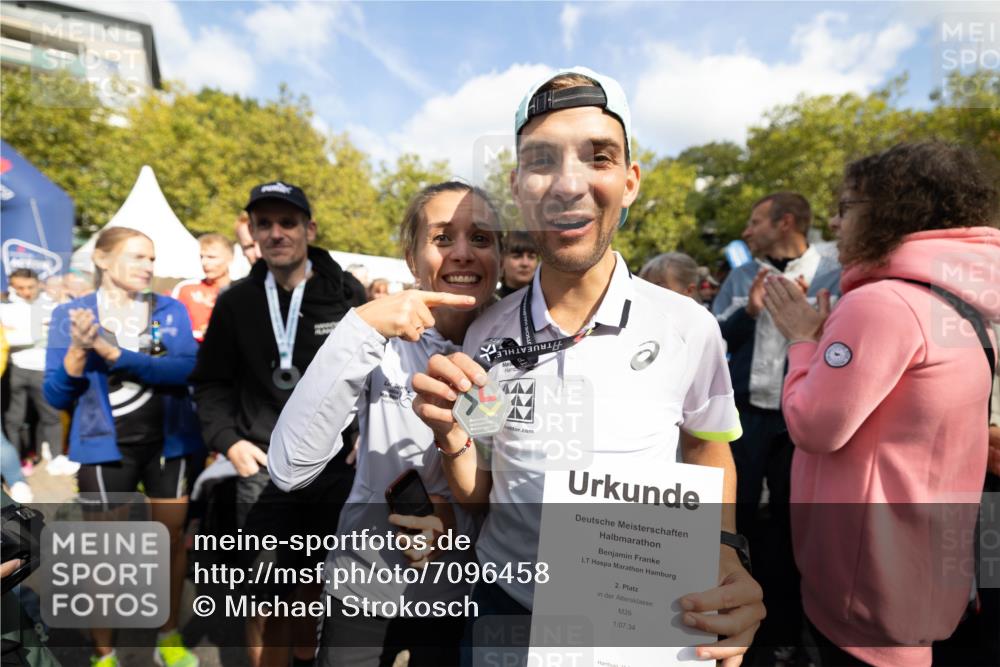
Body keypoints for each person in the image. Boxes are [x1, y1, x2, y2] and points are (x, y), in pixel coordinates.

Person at [411, 67, 764, 666]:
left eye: (597, 157)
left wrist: (726, 546)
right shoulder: (486, 334)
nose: (568, 185)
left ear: (629, 182)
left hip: (638, 617)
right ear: (519, 185)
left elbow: (708, 448)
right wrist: (452, 440)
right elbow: (483, 492)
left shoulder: (689, 328)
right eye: (543, 161)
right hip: (503, 611)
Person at [763, 141, 1000, 667]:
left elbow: (814, 426)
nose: (835, 222)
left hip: (864, 596)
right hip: (929, 582)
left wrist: (802, 340)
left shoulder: (880, 302)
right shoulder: (956, 302)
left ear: (891, 213)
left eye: (846, 208)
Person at [270, 181, 501, 666]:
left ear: (500, 254)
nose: (462, 253)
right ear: (412, 256)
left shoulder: (520, 347)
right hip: (363, 585)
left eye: (481, 238)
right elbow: (290, 468)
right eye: (441, 238)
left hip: (469, 598)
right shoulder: (377, 338)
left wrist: (458, 517)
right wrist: (360, 329)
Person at [190, 181, 366, 667]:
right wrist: (229, 443)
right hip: (262, 468)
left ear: (309, 228)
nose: (275, 233)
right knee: (263, 594)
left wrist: (363, 435)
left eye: (287, 222)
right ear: (252, 231)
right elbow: (210, 384)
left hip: (332, 469)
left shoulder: (346, 293)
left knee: (315, 589)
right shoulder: (236, 302)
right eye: (263, 223)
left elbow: (376, 371)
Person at [43, 227, 204, 667]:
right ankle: (105, 653)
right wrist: (80, 350)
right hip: (103, 449)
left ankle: (168, 637)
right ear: (101, 258)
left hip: (169, 446)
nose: (148, 268)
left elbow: (185, 370)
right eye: (137, 258)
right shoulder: (71, 314)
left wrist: (113, 355)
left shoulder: (167, 310)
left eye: (151, 259)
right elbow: (56, 396)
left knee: (171, 544)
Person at [710, 192, 841, 656]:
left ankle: (787, 633)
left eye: (755, 220)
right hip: (744, 419)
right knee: (735, 521)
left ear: (785, 223)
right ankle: (727, 626)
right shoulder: (743, 275)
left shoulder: (833, 272)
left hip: (796, 423)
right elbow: (715, 333)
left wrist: (815, 323)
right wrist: (748, 310)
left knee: (791, 525)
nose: (746, 231)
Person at [2, 269, 71, 475]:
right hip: (14, 369)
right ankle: (15, 463)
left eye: (30, 287)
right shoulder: (4, 306)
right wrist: (36, 332)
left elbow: (61, 333)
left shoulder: (51, 305)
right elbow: (5, 339)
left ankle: (56, 457)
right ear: (12, 286)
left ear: (38, 284)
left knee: (51, 415)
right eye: (19, 287)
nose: (25, 292)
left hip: (43, 369)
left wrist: (20, 332)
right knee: (14, 419)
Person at [171, 233, 234, 342]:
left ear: (230, 258)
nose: (204, 262)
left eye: (211, 257)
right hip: (192, 354)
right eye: (202, 257)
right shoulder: (186, 289)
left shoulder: (239, 292)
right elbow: (170, 326)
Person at [496, 231, 539, 298]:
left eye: (531, 257)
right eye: (517, 256)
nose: (525, 263)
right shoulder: (490, 303)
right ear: (501, 261)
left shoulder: (546, 301)